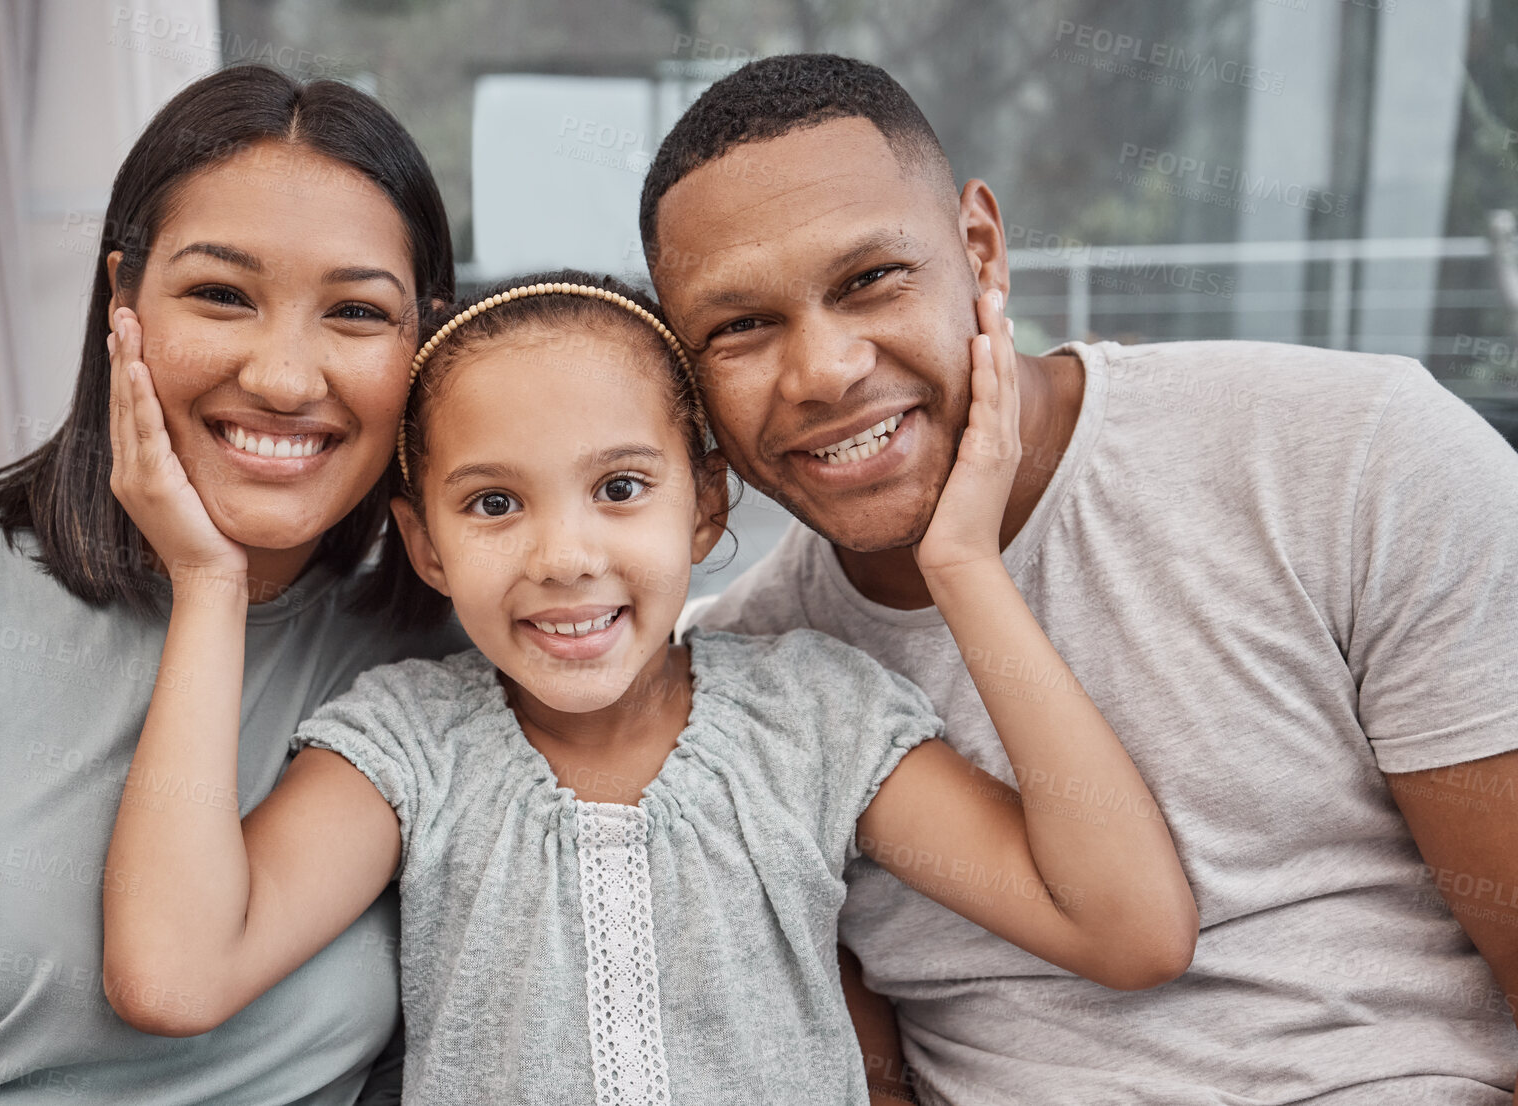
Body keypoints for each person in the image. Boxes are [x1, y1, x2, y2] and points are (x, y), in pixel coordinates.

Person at [640, 52, 1518, 1104]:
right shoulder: (742, 688)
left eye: (869, 279)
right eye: (739, 326)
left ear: (978, 246)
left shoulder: (1354, 456)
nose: (823, 370)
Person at [96, 267, 1199, 1104]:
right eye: (491, 504)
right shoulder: (406, 748)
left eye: (619, 487)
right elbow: (175, 975)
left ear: (705, 508)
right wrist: (207, 582)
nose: (563, 552)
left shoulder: (813, 717)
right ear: (423, 545)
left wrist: (959, 564)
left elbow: (1127, 927)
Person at [0, 65, 463, 1104]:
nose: (287, 378)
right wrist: (210, 580)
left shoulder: (451, 661)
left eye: (356, 312)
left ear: (423, 338)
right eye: (220, 294)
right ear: (122, 304)